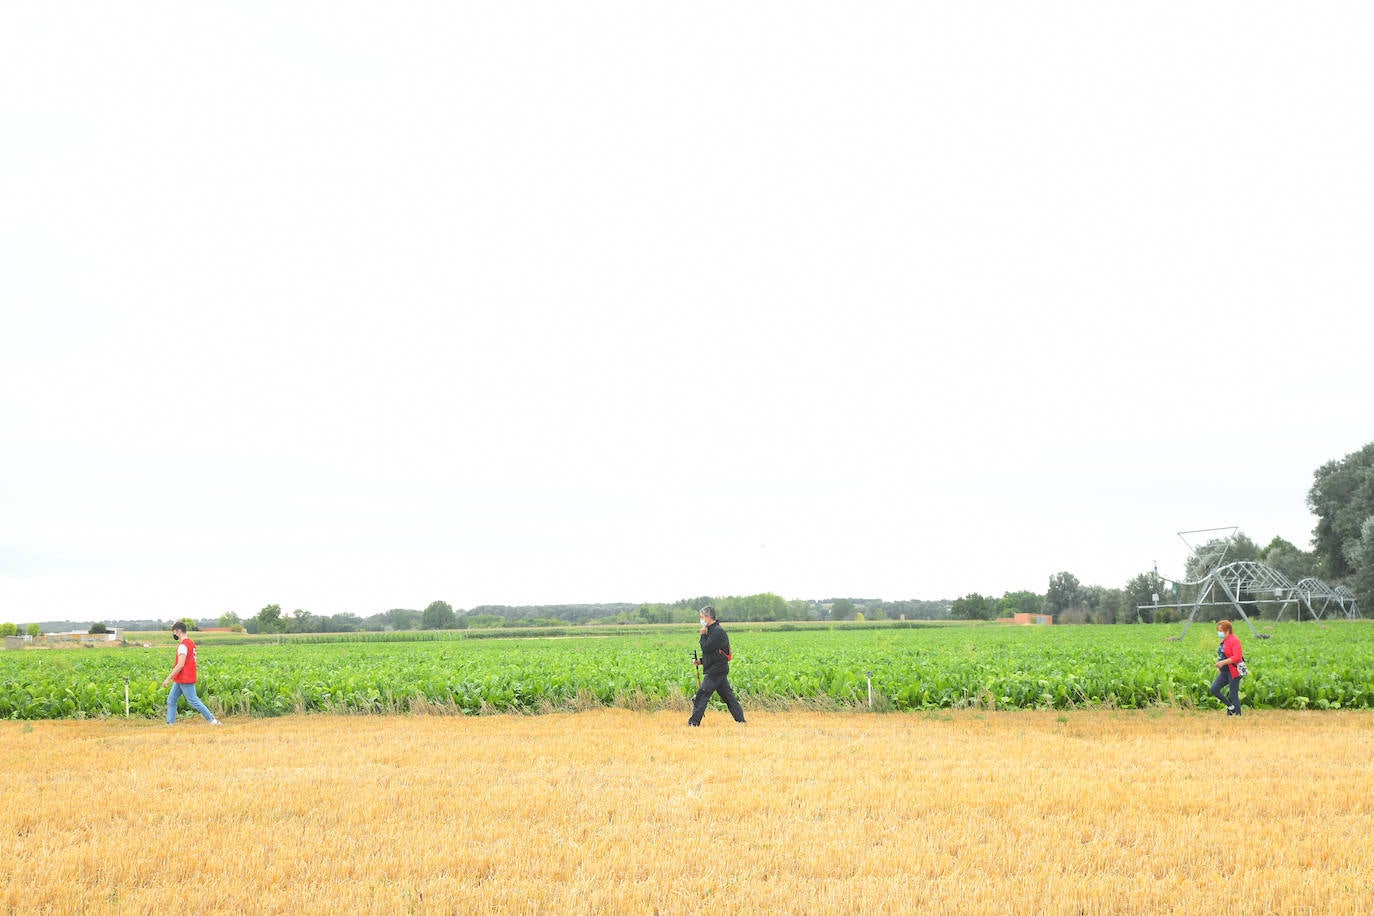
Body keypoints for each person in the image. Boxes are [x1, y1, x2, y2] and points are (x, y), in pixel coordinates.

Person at [688, 605, 745, 726]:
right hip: (718, 668)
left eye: (702, 617)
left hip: (716, 671)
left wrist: (702, 635)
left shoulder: (717, 631)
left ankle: (693, 723)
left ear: (708, 617)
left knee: (702, 694)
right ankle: (741, 720)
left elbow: (706, 647)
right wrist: (701, 661)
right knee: (728, 697)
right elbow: (714, 653)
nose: (701, 619)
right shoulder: (713, 630)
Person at [163, 622, 222, 725]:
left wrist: (168, 678)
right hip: (181, 678)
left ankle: (212, 720)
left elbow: (180, 664)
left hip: (185, 678)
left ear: (179, 631)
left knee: (194, 701)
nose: (174, 635)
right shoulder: (191, 643)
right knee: (171, 700)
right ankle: (170, 724)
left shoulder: (183, 646)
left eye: (174, 632)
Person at [1208, 619, 1245, 716]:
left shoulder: (1235, 641)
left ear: (1227, 631)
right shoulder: (1224, 641)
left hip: (1234, 671)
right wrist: (1220, 668)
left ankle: (1238, 714)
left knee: (1233, 694)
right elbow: (1222, 655)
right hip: (1224, 671)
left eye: (1220, 631)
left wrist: (1222, 663)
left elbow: (1237, 657)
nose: (1219, 633)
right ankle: (1231, 707)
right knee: (1214, 689)